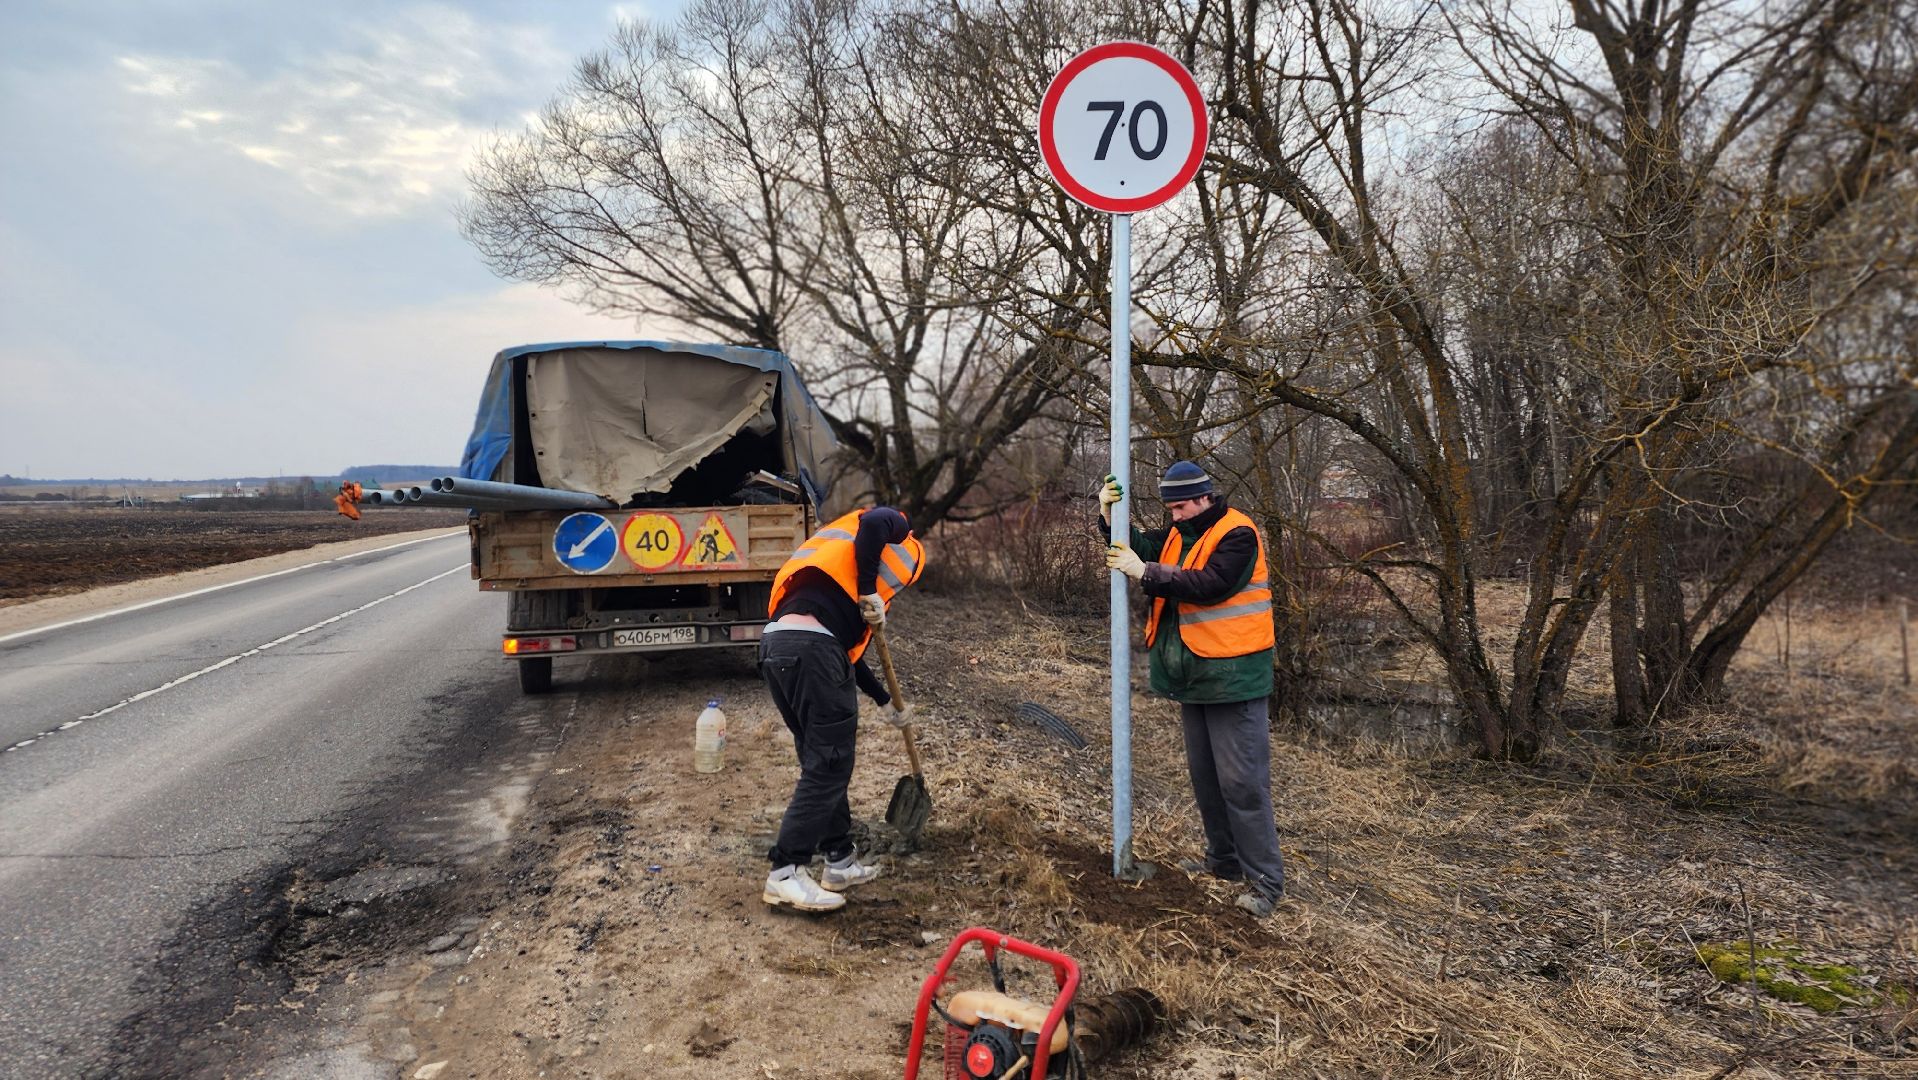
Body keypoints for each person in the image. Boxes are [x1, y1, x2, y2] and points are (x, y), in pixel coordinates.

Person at [1101, 461, 1285, 917]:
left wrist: (1144, 573)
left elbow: (1210, 585)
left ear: (1204, 497)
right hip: (1197, 675)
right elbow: (1142, 549)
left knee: (1242, 783)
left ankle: (1265, 883)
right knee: (1207, 779)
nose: (1175, 515)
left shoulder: (1237, 533)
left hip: (1234, 677)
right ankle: (1222, 862)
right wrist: (1109, 520)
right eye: (1170, 508)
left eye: (1180, 506)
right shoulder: (1183, 532)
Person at [758, 505, 925, 912]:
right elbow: (873, 524)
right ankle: (786, 872)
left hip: (780, 643)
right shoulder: (893, 525)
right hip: (812, 650)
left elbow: (848, 659)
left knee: (821, 759)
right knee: (829, 765)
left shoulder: (834, 583)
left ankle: (839, 861)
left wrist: (885, 702)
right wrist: (869, 587)